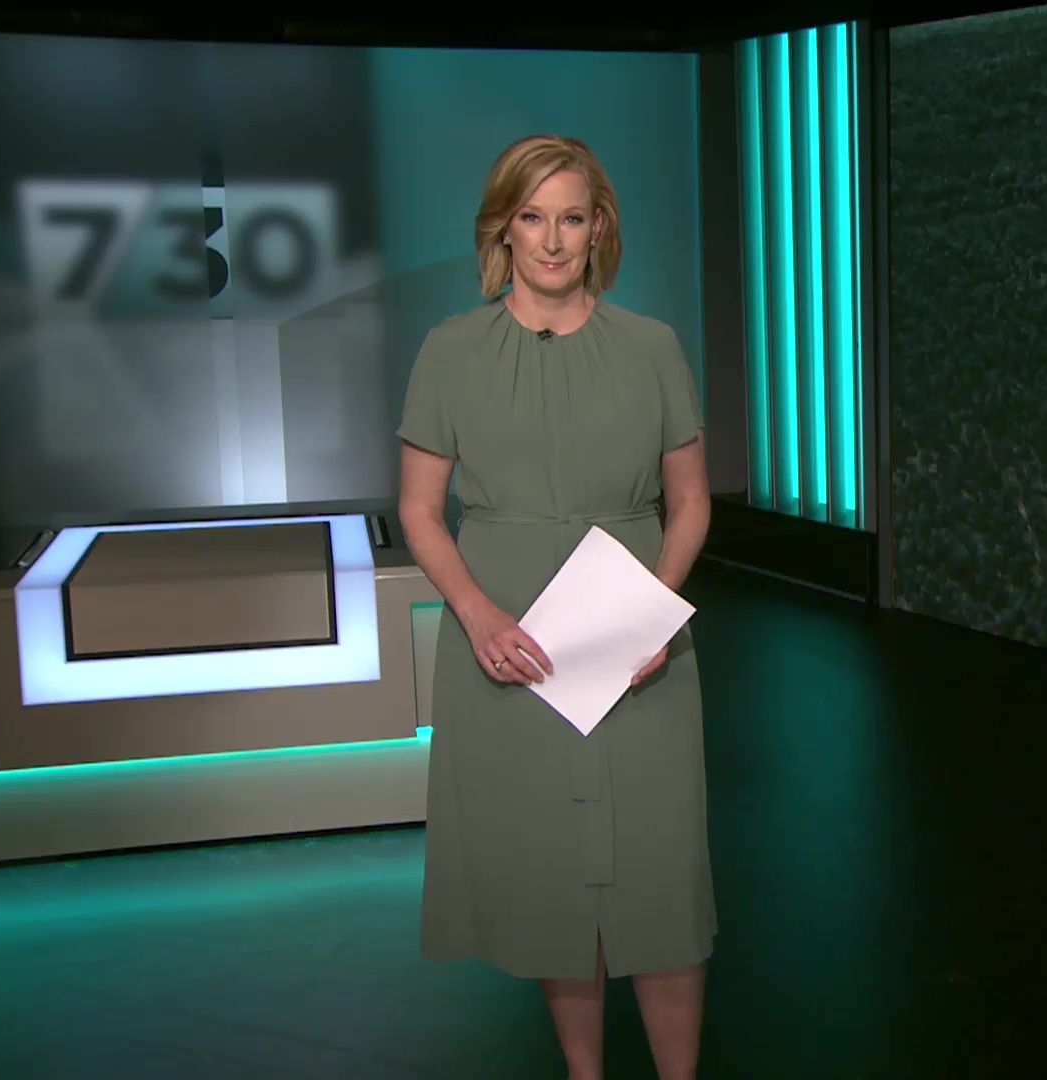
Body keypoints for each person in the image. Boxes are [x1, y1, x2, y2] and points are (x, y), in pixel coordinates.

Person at [396, 133, 714, 1080]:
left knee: (660, 878)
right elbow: (420, 511)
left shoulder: (652, 347)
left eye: (571, 218)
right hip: (514, 647)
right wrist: (477, 615)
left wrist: (653, 616)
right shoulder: (450, 351)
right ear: (504, 228)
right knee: (554, 889)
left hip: (640, 649)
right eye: (532, 217)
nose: (551, 239)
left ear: (599, 228)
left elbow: (691, 500)